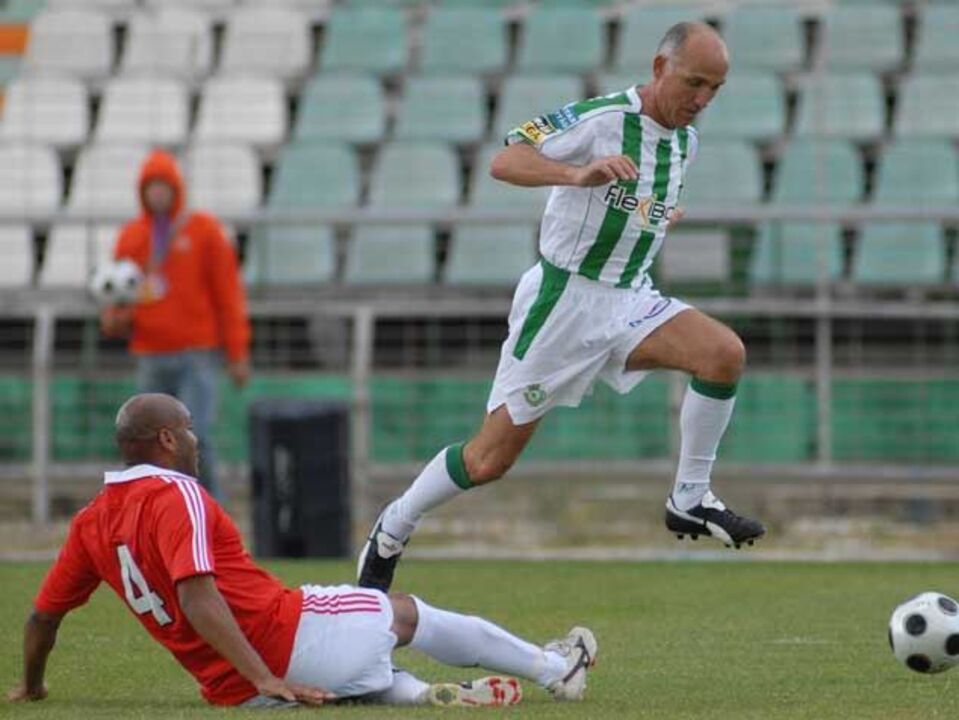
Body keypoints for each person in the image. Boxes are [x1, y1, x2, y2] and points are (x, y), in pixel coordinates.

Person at [358, 21, 765, 592]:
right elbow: (507, 159)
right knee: (487, 461)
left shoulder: (685, 142)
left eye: (714, 90)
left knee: (723, 354)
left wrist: (655, 215)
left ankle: (690, 499)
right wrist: (575, 173)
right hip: (564, 303)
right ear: (658, 68)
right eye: (694, 83)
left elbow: (630, 209)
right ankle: (393, 526)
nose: (701, 100)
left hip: (630, 298)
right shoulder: (602, 119)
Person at [8, 394, 597, 709]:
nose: (196, 439)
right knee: (400, 613)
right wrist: (267, 676)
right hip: (278, 643)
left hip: (225, 688)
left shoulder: (89, 524)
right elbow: (197, 594)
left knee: (359, 663)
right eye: (187, 429)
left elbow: (42, 618)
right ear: (165, 440)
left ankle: (415, 695)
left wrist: (33, 685)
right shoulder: (177, 491)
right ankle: (556, 670)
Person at [100, 149, 251, 500]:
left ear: (175, 188)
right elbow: (120, 297)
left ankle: (210, 512)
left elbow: (228, 294)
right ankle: (153, 514)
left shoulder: (204, 231)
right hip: (151, 353)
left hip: (196, 352)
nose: (157, 193)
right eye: (150, 187)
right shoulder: (132, 237)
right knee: (145, 443)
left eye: (163, 186)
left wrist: (237, 351)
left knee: (195, 437)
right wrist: (115, 319)